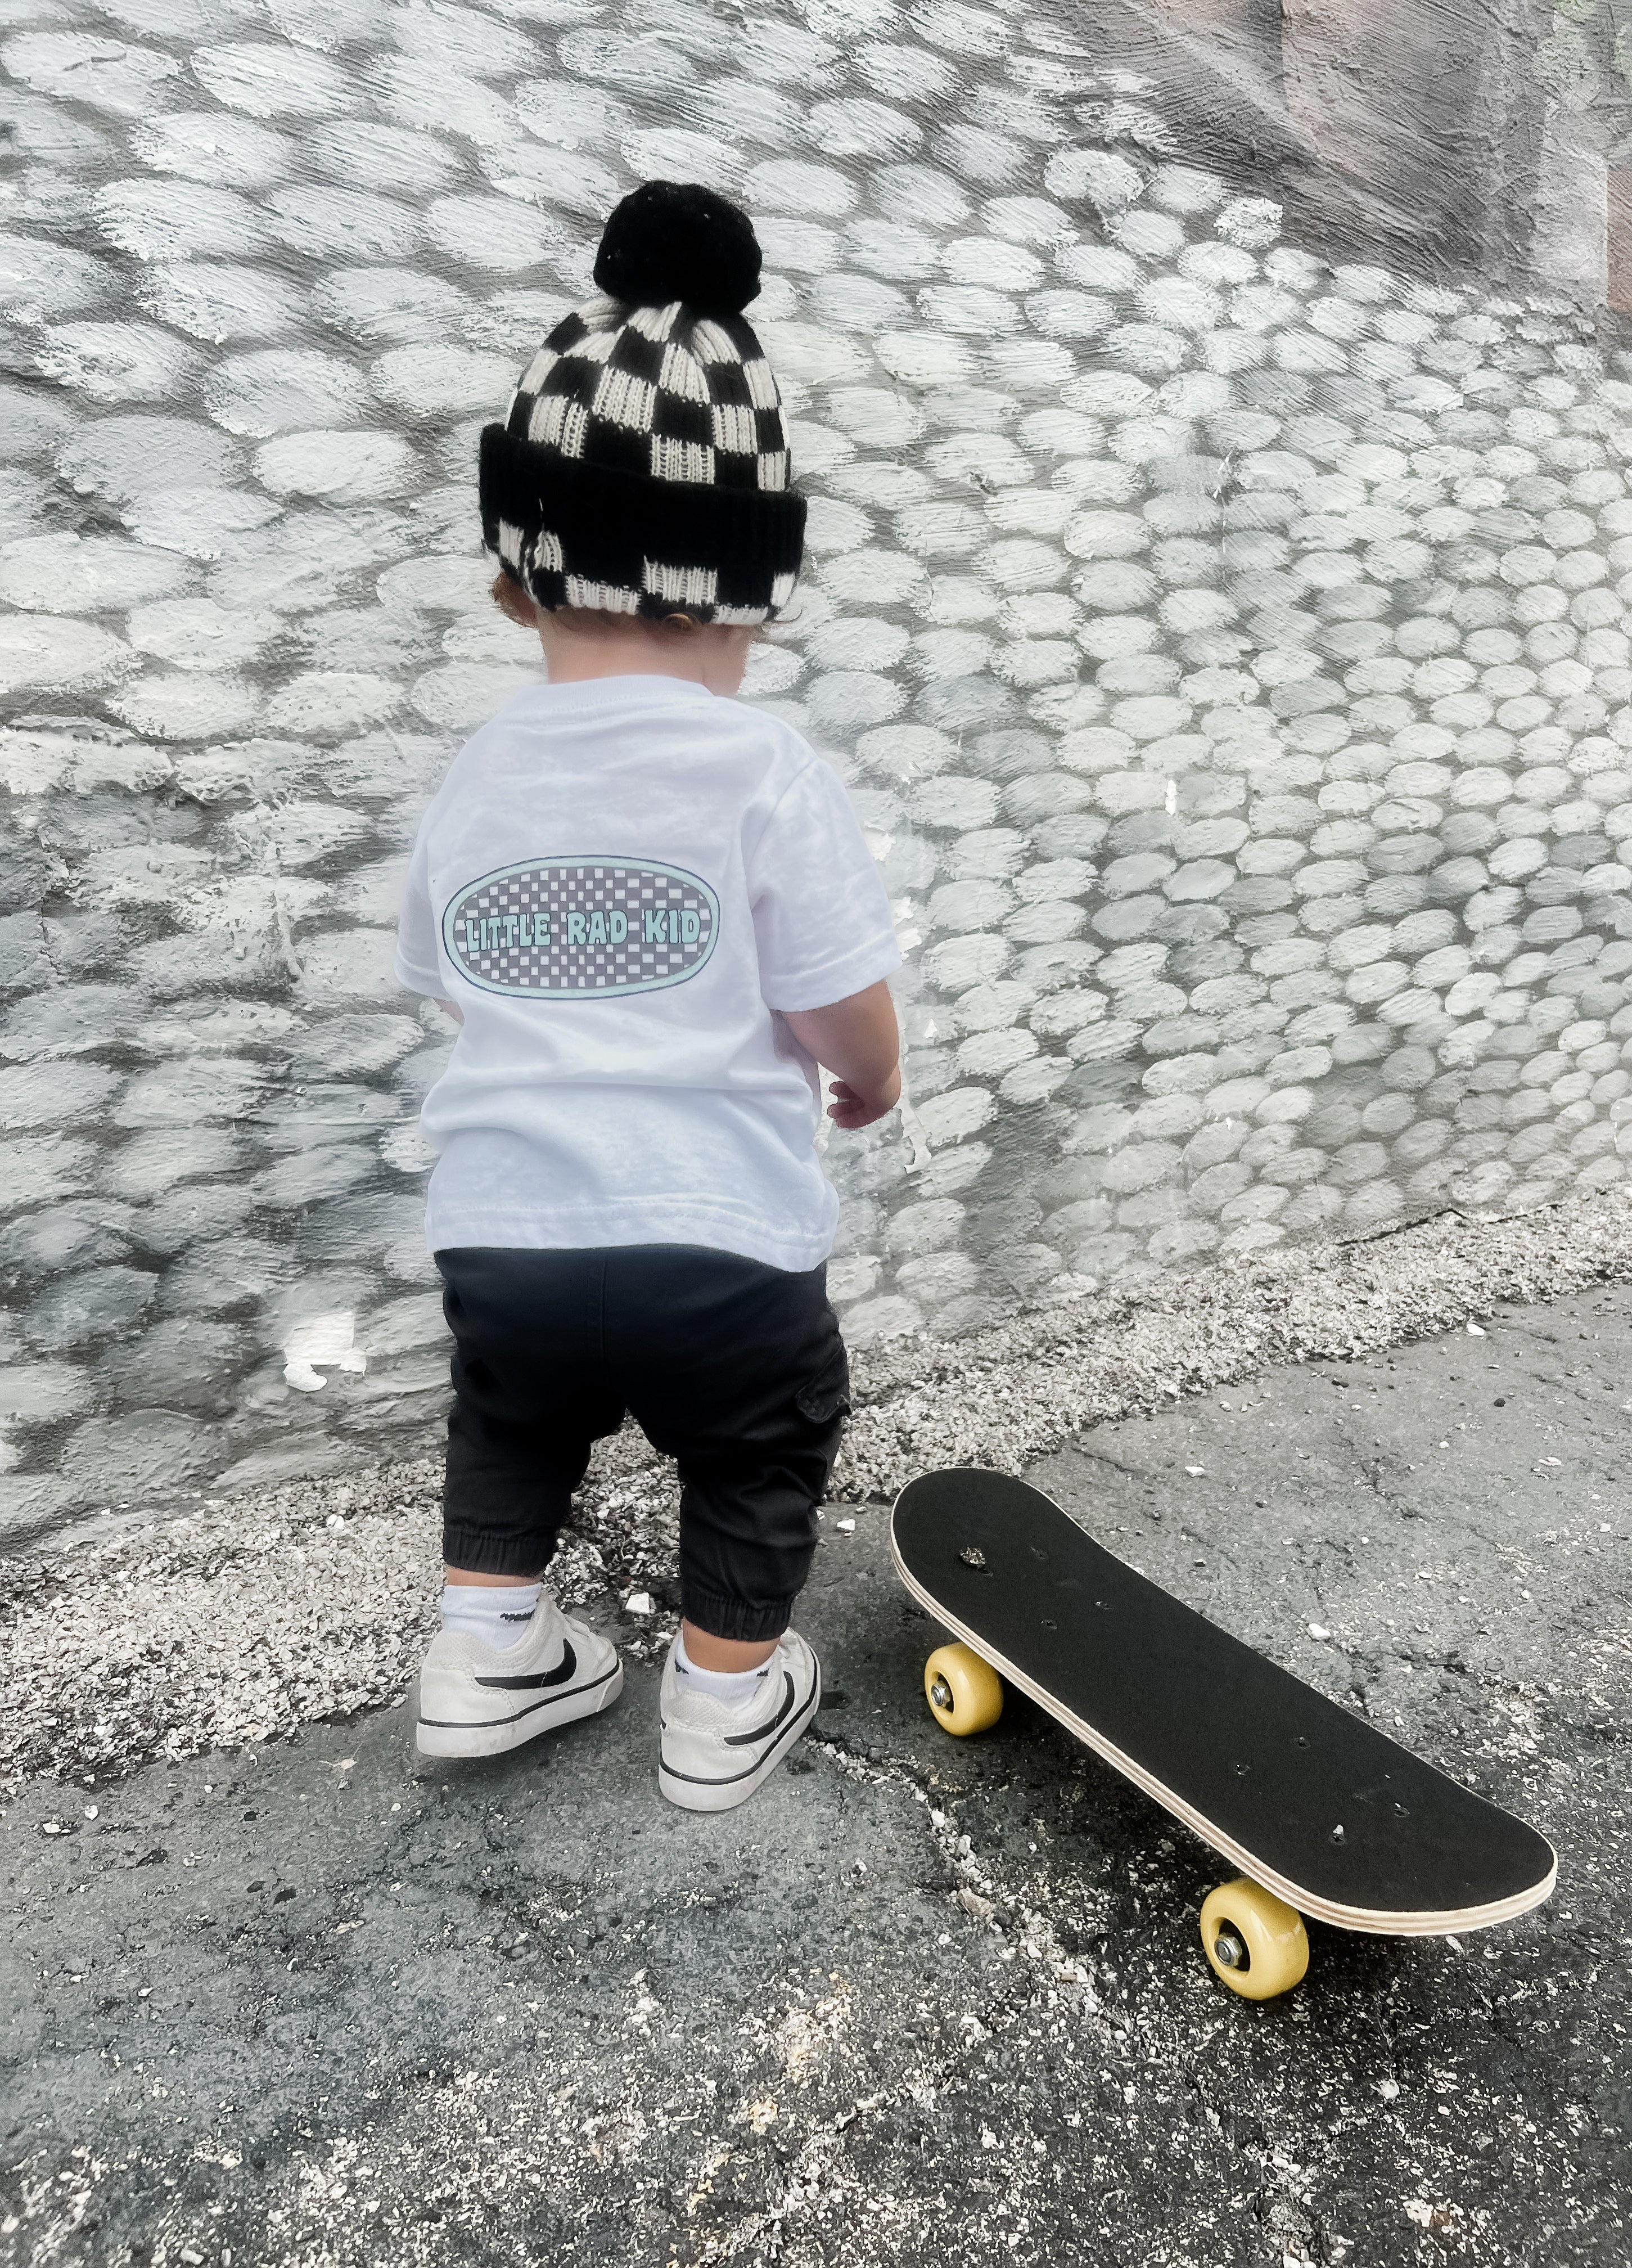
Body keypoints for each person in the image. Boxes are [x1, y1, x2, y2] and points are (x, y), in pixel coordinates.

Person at [393, 180, 902, 1812]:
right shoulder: (762, 768)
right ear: (752, 589)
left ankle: (488, 1657)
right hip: (719, 1243)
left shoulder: (478, 773)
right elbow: (838, 993)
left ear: (513, 579)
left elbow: (451, 980)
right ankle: (723, 1703)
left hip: (506, 1231)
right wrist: (870, 1076)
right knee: (759, 1445)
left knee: (511, 1423)